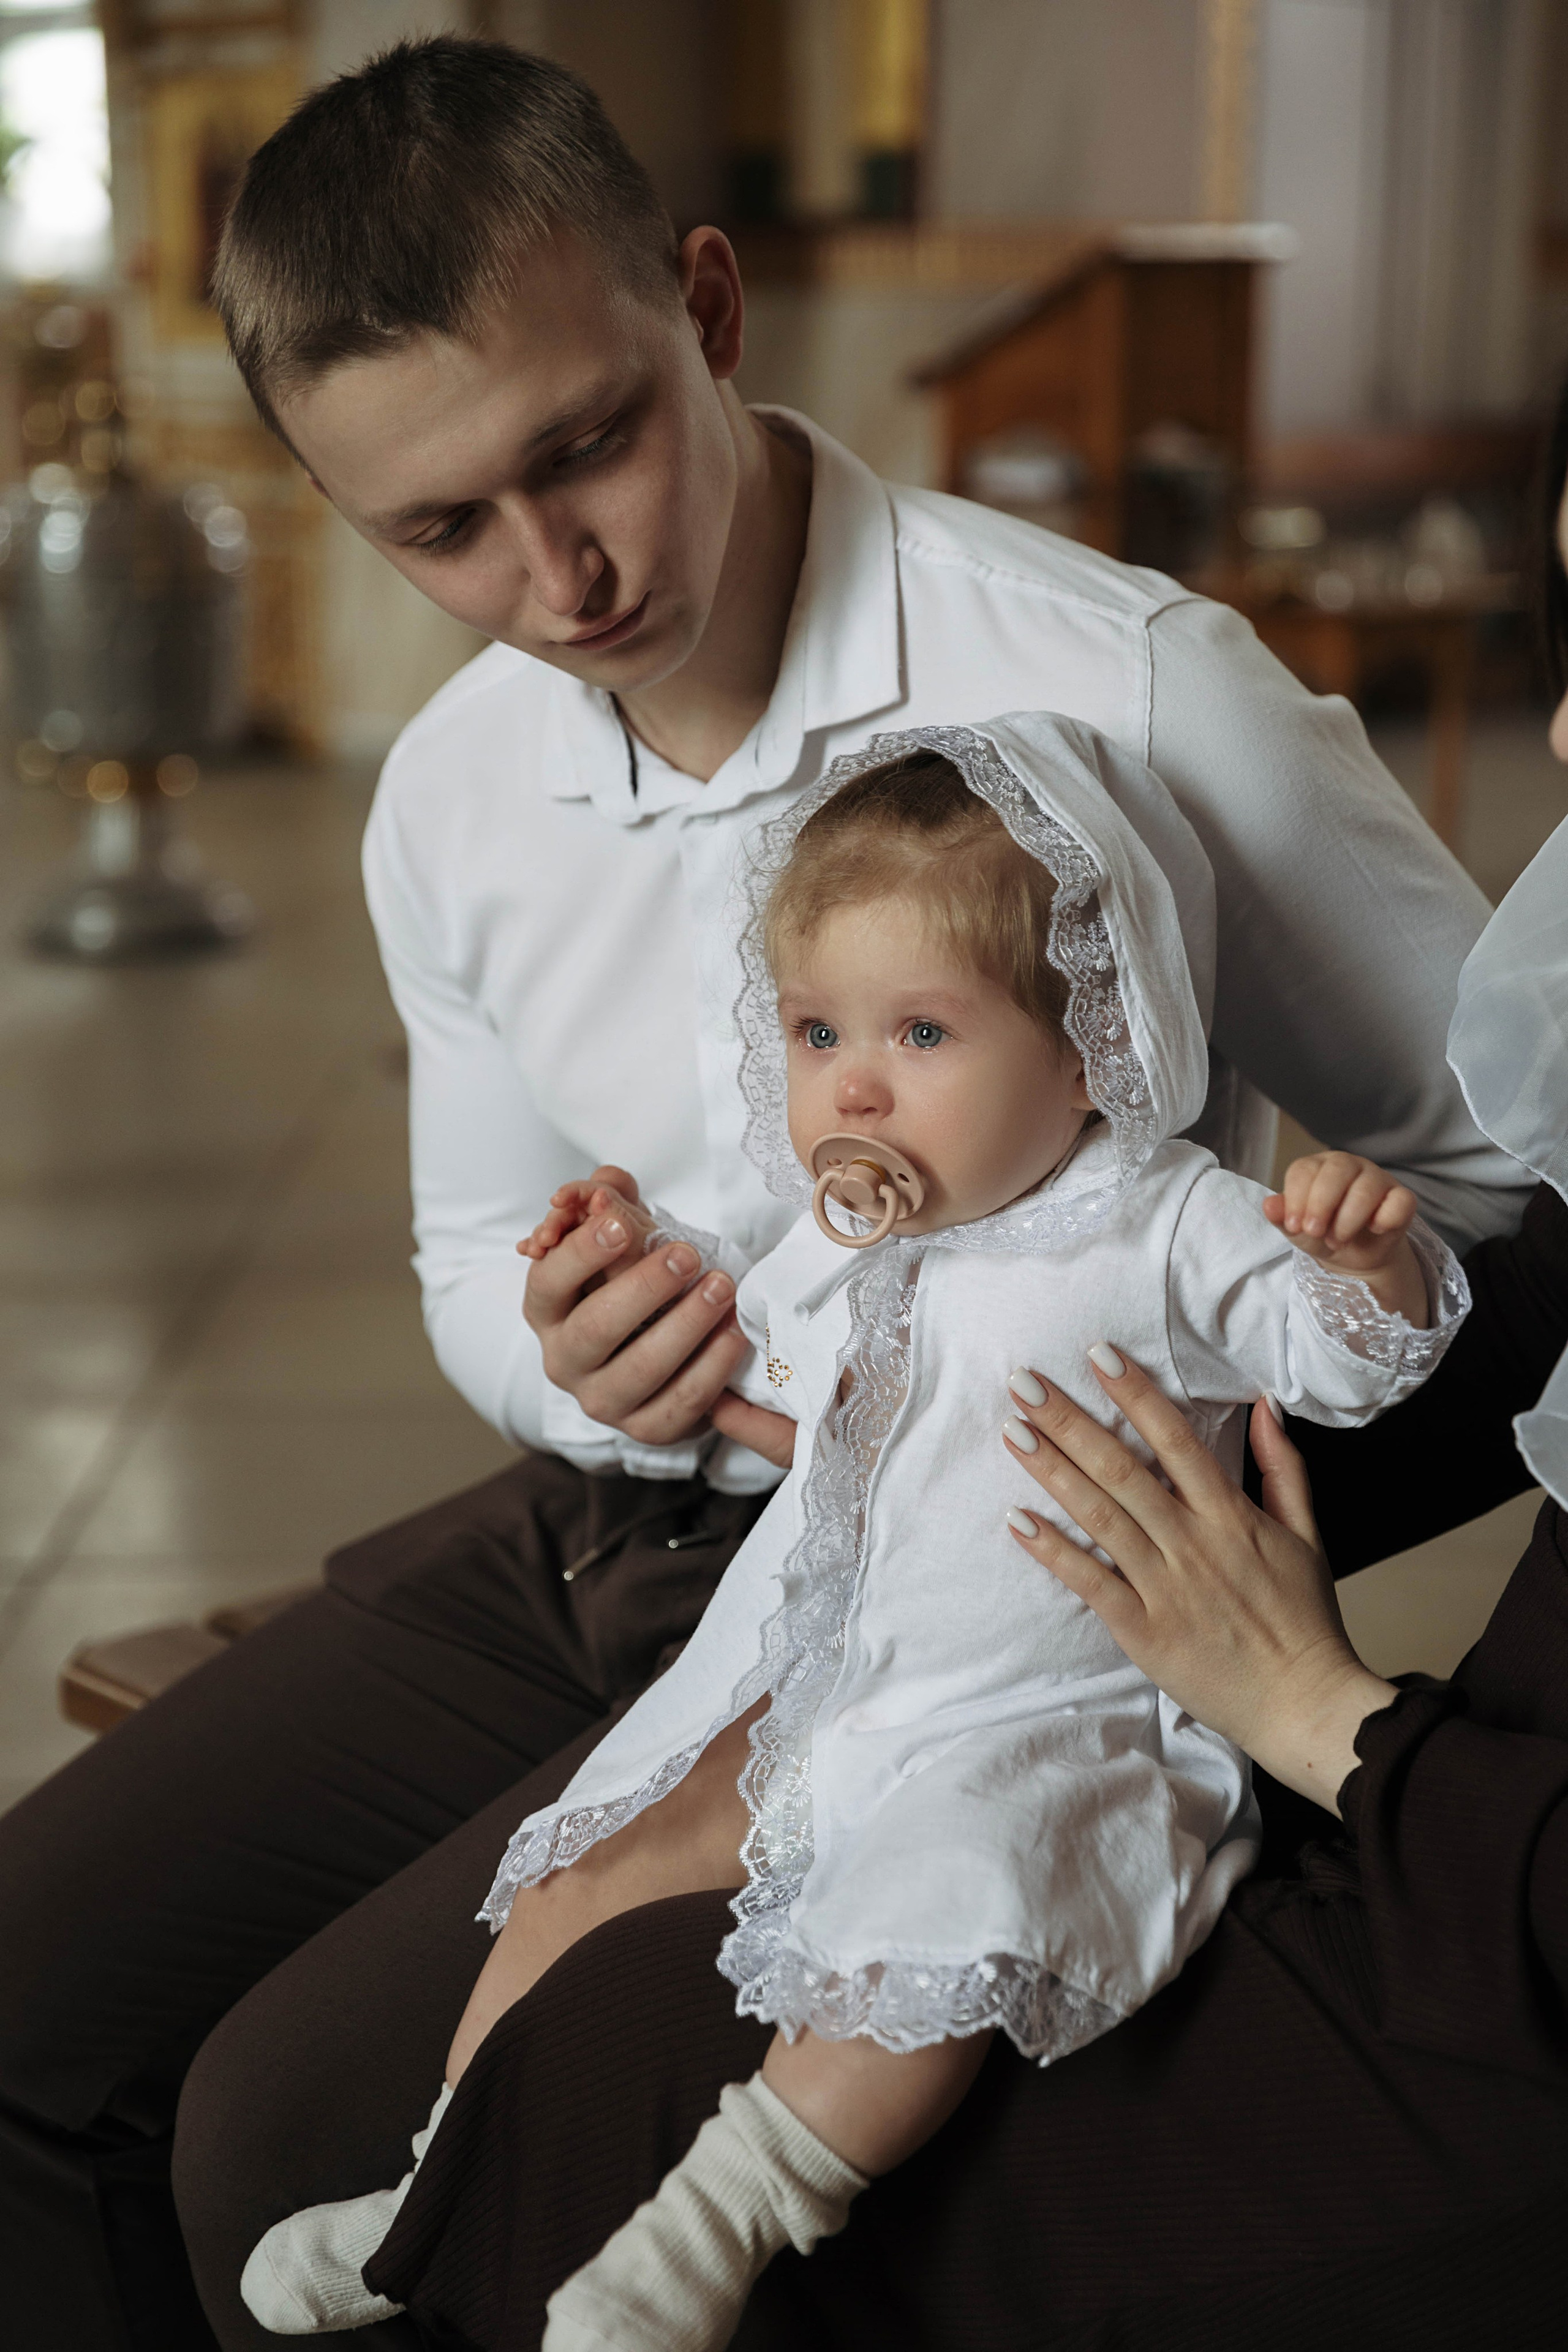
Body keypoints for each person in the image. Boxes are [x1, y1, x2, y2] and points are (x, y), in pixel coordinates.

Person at [0, 36, 1528, 2351]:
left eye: (583, 446)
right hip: (613, 1530)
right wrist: (576, 1365)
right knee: (32, 2001)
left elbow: (1517, 1175)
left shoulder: (1136, 690)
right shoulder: (451, 799)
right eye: (439, 532)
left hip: (980, 1602)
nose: (557, 577)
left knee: (266, 2129)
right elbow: (466, 1261)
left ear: (707, 311)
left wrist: (1210, 1465)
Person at [342, 446, 1568, 2347]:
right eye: (819, 1034)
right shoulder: (872, 1241)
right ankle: (429, 2180)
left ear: (1091, 1044)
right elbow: (757, 1357)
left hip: (1043, 1701)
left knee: (931, 1938)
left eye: (921, 1034)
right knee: (589, 1869)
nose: (854, 1088)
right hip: (837, 1656)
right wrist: (629, 1295)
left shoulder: (1163, 1222)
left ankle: (726, 2217)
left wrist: (1366, 1265)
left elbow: (1354, 1361)